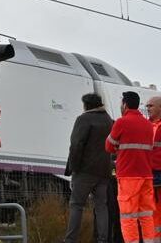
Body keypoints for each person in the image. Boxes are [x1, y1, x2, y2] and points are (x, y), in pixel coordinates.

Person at [62, 93, 114, 243]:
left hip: (85, 171)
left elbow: (76, 145)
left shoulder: (83, 119)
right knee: (101, 207)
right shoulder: (108, 120)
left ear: (86, 105)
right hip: (104, 171)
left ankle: (70, 240)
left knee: (76, 205)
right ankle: (103, 239)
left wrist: (74, 168)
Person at [105, 91, 155, 243]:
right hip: (146, 174)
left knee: (128, 216)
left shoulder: (121, 122)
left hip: (128, 176)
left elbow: (108, 146)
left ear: (125, 104)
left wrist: (119, 147)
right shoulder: (148, 124)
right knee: (146, 214)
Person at [147, 96, 161, 236]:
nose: (148, 108)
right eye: (147, 106)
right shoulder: (146, 125)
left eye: (151, 105)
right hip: (148, 173)